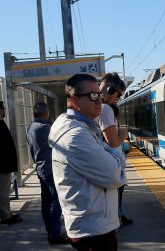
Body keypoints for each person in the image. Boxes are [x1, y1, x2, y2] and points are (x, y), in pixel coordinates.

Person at [48, 74, 126, 251]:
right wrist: (116, 145)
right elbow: (116, 175)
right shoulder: (76, 136)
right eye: (92, 96)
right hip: (93, 229)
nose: (99, 100)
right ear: (74, 101)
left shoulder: (84, 127)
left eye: (99, 94)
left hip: (94, 223)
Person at [26, 102, 68, 244]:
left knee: (46, 200)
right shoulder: (46, 128)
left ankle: (49, 228)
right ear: (46, 113)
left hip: (40, 168)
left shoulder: (30, 127)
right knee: (56, 201)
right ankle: (54, 233)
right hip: (51, 169)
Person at [95, 73, 133, 226]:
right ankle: (117, 218)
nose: (117, 99)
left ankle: (118, 217)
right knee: (115, 196)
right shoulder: (105, 109)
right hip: (112, 162)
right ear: (110, 90)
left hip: (106, 160)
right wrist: (123, 135)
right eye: (117, 95)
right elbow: (112, 142)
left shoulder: (99, 107)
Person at [0, 101, 22, 225]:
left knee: (4, 192)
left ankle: (6, 213)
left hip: (5, 166)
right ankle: (5, 216)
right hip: (3, 167)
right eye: (3, 108)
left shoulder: (1, 124)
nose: (5, 111)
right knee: (3, 192)